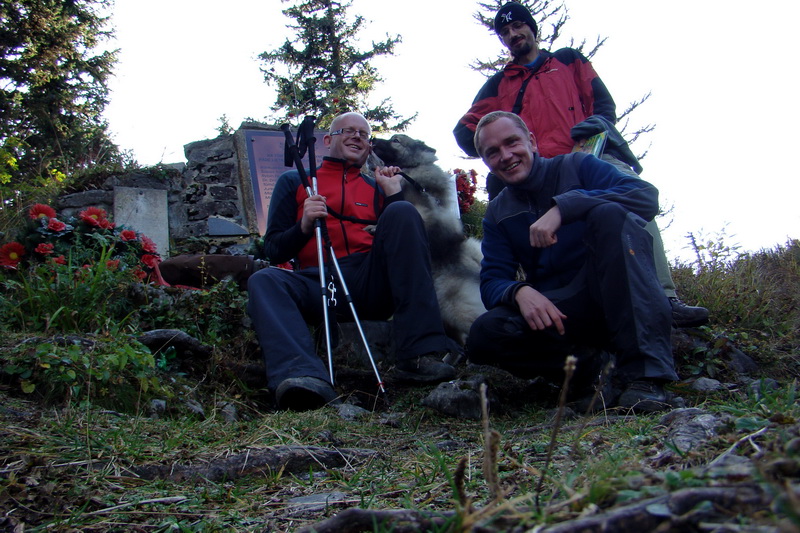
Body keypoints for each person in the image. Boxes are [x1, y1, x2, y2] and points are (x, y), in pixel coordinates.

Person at [453, 1, 708, 329]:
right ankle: (546, 298)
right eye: (505, 32)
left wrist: (596, 126)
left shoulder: (568, 60)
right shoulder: (499, 84)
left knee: (627, 189)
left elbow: (603, 103)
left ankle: (664, 295)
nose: (513, 34)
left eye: (518, 26)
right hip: (537, 169)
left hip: (583, 158)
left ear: (531, 28)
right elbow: (465, 129)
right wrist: (497, 148)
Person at [467, 111, 679, 412]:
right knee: (484, 334)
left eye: (511, 142)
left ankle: (645, 375)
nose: (506, 155)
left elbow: (644, 196)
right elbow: (491, 281)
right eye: (493, 152)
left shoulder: (577, 166)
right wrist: (519, 291)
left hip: (616, 290)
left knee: (608, 214)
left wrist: (566, 207)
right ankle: (592, 372)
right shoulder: (498, 212)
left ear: (531, 141)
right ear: (487, 162)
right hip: (563, 311)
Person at [247, 112, 455, 411]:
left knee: (404, 213)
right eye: (349, 131)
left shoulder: (376, 187)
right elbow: (273, 250)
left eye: (364, 134)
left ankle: (418, 354)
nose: (358, 136)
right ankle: (301, 377)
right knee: (264, 279)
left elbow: (404, 245)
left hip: (369, 279)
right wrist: (304, 225)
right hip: (318, 281)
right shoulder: (295, 181)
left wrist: (394, 195)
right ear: (328, 140)